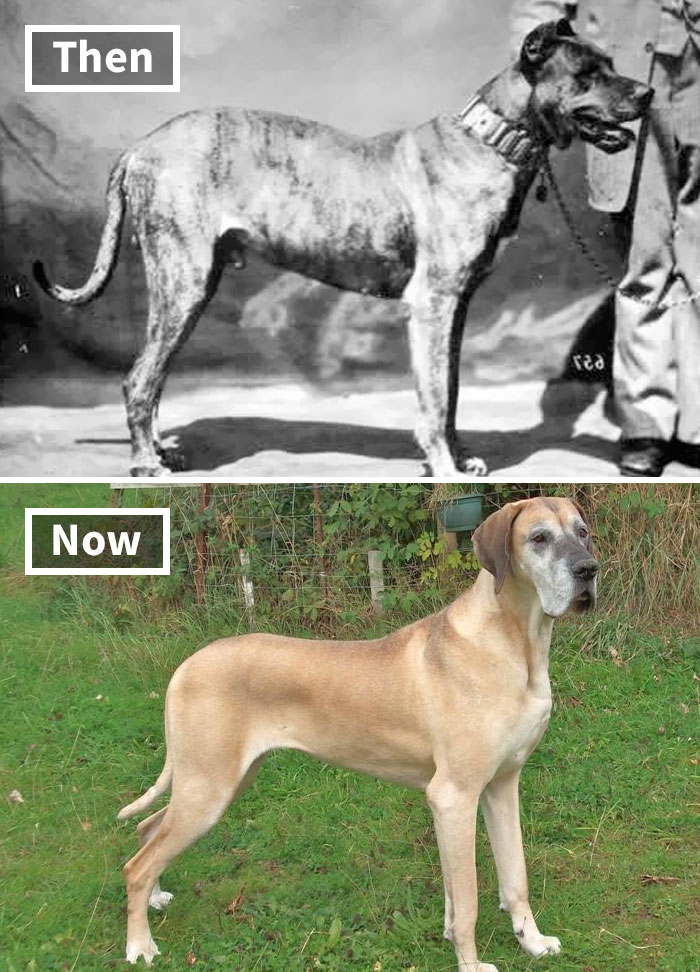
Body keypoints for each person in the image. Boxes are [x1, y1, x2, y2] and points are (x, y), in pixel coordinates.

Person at [511, 0, 700, 476]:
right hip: (627, 84)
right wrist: (541, 80)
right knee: (646, 258)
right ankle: (647, 425)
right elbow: (539, 10)